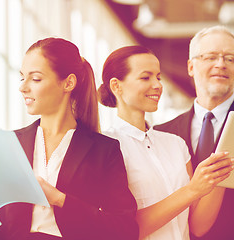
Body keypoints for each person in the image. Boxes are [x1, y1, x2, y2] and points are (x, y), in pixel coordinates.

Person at [0, 37, 139, 240]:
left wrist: (60, 199)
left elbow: (126, 230)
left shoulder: (103, 150)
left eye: (35, 78)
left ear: (68, 83)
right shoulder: (10, 143)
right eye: (22, 77)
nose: (23, 87)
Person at [98, 45, 234, 240]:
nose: (157, 85)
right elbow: (123, 229)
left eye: (158, 77)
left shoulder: (176, 145)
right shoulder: (106, 146)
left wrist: (220, 174)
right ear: (116, 86)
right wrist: (192, 189)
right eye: (146, 77)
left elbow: (198, 226)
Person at [155, 26, 234, 240]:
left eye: (230, 59)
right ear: (191, 66)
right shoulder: (159, 134)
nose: (221, 64)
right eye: (211, 57)